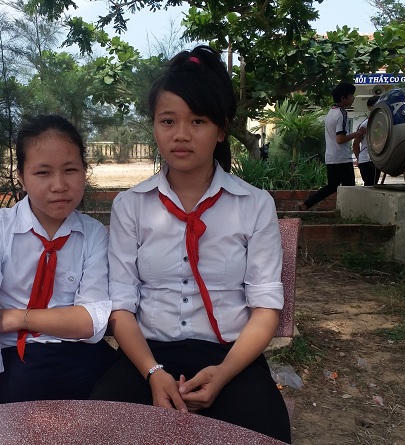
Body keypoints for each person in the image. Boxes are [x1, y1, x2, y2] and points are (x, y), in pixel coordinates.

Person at [91, 46, 291, 443]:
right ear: (154, 126)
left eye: (197, 121)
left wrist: (225, 373)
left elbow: (266, 308)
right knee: (96, 431)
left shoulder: (254, 205)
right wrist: (153, 372)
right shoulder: (131, 206)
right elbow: (121, 307)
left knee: (267, 434)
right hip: (146, 357)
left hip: (231, 358)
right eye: (168, 121)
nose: (181, 134)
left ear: (221, 129)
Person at [0, 115, 115, 407]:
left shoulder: (93, 233)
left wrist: (18, 317)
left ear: (84, 171)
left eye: (70, 170)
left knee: (130, 397)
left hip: (80, 356)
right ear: (21, 176)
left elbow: (90, 321)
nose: (59, 185)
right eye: (43, 172)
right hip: (16, 358)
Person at [300, 82, 366, 210]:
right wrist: (357, 133)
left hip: (331, 157)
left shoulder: (331, 112)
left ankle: (306, 204)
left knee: (332, 186)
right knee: (349, 188)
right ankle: (348, 212)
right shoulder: (342, 113)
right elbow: (340, 139)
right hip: (342, 157)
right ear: (343, 98)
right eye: (351, 96)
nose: (353, 98)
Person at [353, 96, 381, 186]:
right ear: (370, 107)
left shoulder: (381, 122)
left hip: (373, 160)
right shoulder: (365, 124)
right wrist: (359, 159)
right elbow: (355, 144)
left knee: (372, 185)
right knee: (370, 185)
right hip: (367, 160)